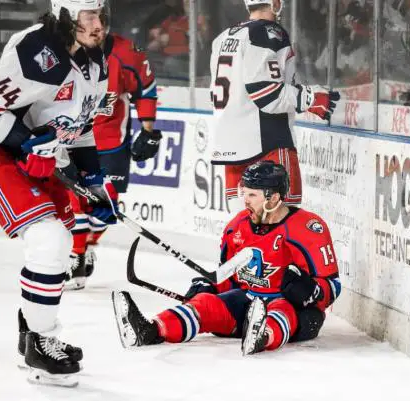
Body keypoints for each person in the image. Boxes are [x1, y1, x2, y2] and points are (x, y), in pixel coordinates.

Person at [0, 0, 116, 386]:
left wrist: (94, 181)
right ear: (65, 15)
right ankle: (42, 343)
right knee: (49, 239)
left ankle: (31, 337)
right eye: (88, 16)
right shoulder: (39, 51)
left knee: (58, 251)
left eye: (101, 14)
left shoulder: (96, 62)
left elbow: (82, 128)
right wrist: (25, 142)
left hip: (38, 159)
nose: (98, 24)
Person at [112, 161, 341, 355]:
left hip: (293, 310)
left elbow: (333, 285)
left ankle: (262, 336)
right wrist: (208, 284)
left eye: (252, 195)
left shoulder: (308, 228)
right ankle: (151, 330)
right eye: (244, 193)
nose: (245, 200)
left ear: (274, 199)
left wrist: (313, 291)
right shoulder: (237, 227)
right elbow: (229, 278)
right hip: (247, 302)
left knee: (281, 309)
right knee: (205, 304)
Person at [209, 0, 340, 210]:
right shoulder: (267, 32)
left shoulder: (224, 36)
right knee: (280, 222)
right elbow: (267, 94)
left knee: (245, 226)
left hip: (229, 145)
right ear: (275, 3)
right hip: (266, 142)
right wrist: (311, 99)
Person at [65, 24, 161, 291]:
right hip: (70, 138)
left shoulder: (124, 52)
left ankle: (88, 246)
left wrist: (148, 130)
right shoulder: (59, 49)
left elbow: (145, 89)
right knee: (76, 201)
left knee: (107, 210)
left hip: (110, 140)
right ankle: (76, 254)